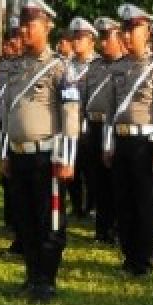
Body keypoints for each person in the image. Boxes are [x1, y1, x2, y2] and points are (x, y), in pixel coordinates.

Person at [0, 0, 79, 302]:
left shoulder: (60, 68)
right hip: (19, 154)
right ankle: (31, 276)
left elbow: (71, 113)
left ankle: (47, 280)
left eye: (31, 24)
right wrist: (5, 152)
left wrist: (67, 158)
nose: (24, 31)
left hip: (48, 156)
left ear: (47, 27)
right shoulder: (16, 66)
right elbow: (6, 112)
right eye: (22, 24)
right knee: (25, 219)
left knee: (50, 221)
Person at [103, 4, 153, 276]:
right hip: (121, 142)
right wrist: (108, 144)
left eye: (134, 29)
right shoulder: (118, 67)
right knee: (123, 202)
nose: (128, 34)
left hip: (146, 145)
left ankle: (145, 260)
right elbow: (111, 110)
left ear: (147, 32)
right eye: (125, 29)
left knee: (144, 204)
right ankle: (129, 255)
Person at [83, 17, 123, 245]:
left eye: (108, 37)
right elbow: (85, 98)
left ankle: (116, 228)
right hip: (94, 127)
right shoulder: (95, 66)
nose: (103, 42)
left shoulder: (123, 66)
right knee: (97, 181)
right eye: (101, 37)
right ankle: (102, 228)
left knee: (115, 181)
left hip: (115, 128)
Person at [0, 20, 25, 254]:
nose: (11, 41)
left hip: (26, 133)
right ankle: (13, 224)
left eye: (15, 36)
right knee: (9, 181)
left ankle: (23, 232)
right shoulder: (5, 65)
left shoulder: (32, 66)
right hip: (6, 127)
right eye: (9, 36)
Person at [65, 18, 97, 219]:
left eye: (81, 38)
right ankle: (77, 205)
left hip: (92, 125)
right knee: (72, 168)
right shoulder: (66, 65)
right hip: (71, 124)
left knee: (92, 169)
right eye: (74, 38)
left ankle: (93, 205)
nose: (76, 42)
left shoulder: (98, 65)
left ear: (91, 41)